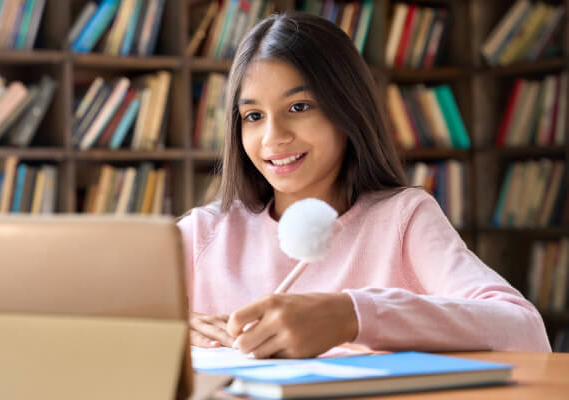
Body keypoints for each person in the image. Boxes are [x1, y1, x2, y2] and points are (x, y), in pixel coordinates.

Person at [177, 12, 551, 359]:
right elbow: (118, 320)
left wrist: (353, 315)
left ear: (347, 109)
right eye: (254, 116)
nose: (273, 138)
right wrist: (169, 328)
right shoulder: (203, 232)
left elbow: (525, 331)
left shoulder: (402, 219)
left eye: (299, 107)